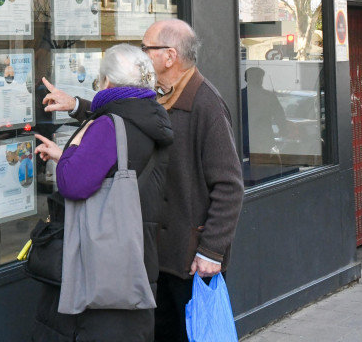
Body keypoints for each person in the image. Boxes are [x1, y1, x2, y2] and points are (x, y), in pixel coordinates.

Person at [42, 20, 244, 342]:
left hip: (188, 258)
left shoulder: (205, 104)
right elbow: (130, 122)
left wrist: (212, 251)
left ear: (169, 56)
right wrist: (79, 106)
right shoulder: (161, 97)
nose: (141, 54)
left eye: (145, 47)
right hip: (153, 252)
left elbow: (230, 185)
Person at [32, 43, 173, 341]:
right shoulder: (152, 116)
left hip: (101, 265)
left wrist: (72, 148)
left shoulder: (108, 125)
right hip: (135, 252)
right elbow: (116, 164)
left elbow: (72, 183)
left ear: (107, 81)